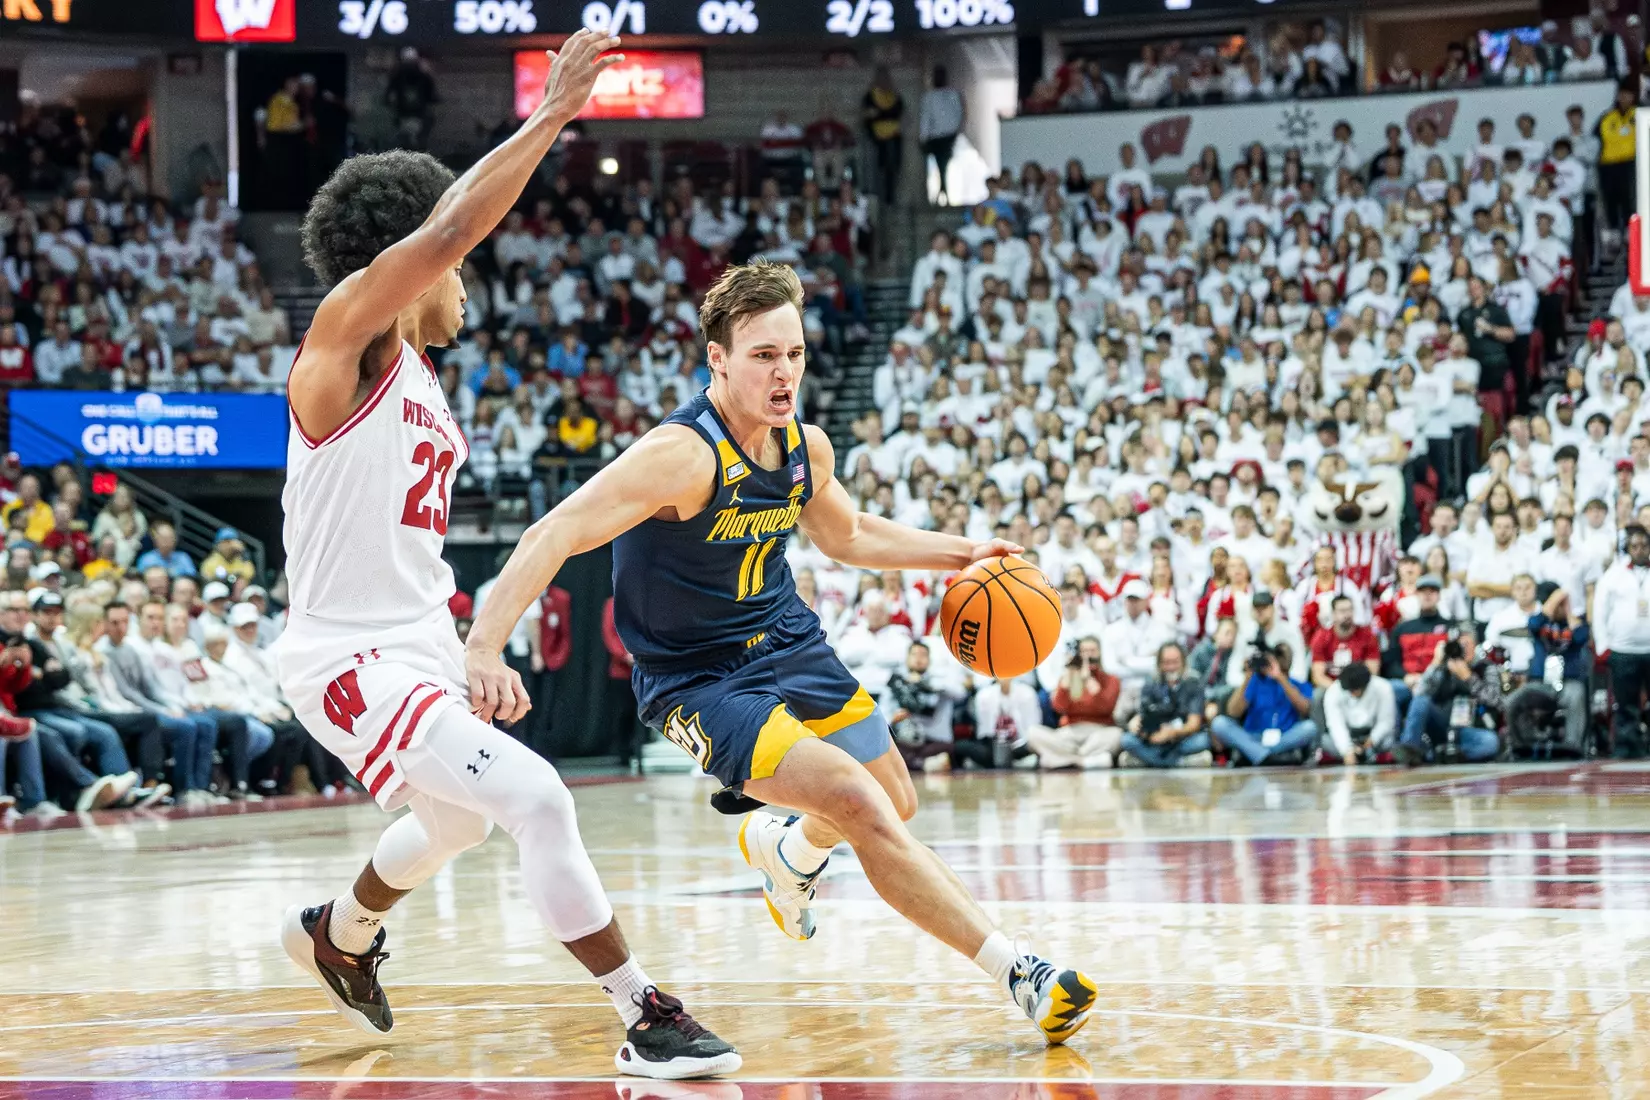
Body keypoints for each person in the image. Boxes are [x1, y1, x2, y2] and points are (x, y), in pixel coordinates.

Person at [464, 259, 1097, 1046]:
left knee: (894, 798)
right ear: (718, 360)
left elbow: (851, 535)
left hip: (788, 639)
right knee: (860, 804)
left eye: (794, 353)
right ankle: (1021, 973)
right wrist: (485, 643)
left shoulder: (805, 449)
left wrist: (964, 553)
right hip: (699, 679)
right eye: (764, 355)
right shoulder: (681, 457)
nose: (784, 371)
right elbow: (553, 532)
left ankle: (787, 852)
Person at [270, 33, 740, 1079]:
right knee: (536, 800)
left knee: (456, 825)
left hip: (410, 641)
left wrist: (471, 646)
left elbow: (404, 550)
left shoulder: (426, 383)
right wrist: (554, 113)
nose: (470, 276)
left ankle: (337, 932)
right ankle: (645, 1012)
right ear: (411, 256)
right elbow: (450, 227)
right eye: (457, 258)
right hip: (345, 655)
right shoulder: (345, 342)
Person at [1504, 582, 1590, 757]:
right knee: (1512, 701)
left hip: (1568, 682)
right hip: (1540, 683)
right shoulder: (1538, 621)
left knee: (1576, 696)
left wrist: (1567, 609)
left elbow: (1582, 636)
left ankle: (1572, 747)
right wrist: (1552, 602)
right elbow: (1534, 625)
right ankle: (1523, 745)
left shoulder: (1574, 622)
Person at [1397, 633, 1504, 765]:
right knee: (1421, 701)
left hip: (1470, 729)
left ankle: (1444, 753)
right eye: (1460, 645)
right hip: (1443, 725)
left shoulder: (1486, 667)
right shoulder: (1444, 667)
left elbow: (1496, 701)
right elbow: (1419, 693)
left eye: (1467, 645)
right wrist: (1435, 663)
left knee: (1491, 742)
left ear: (1475, 646)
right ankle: (1410, 748)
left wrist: (1469, 678)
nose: (1464, 650)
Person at [1593, 523, 1650, 759]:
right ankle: (1627, 749)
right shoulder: (1614, 574)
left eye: (1644, 545)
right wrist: (1602, 646)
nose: (1639, 550)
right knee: (1626, 705)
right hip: (1622, 650)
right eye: (1634, 546)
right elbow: (1599, 610)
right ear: (1627, 548)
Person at [1212, 640, 1316, 767]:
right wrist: (1248, 676)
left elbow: (1305, 709)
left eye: (1283, 654)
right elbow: (1233, 711)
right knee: (1219, 723)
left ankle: (1256, 754)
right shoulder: (1256, 681)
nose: (1281, 659)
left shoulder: (1298, 684)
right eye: (1277, 654)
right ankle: (1265, 756)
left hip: (1283, 737)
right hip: (1254, 735)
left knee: (1310, 727)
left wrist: (1280, 678)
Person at [1031, 635, 1126, 769]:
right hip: (1070, 732)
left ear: (1099, 653)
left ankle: (1063, 760)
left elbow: (1106, 707)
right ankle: (1087, 761)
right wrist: (1069, 674)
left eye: (1092, 651)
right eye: (1084, 651)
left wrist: (1088, 680)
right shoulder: (1069, 678)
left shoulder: (1111, 680)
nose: (1087, 656)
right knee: (1033, 733)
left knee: (1117, 735)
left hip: (1099, 732)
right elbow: (1058, 707)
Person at [1117, 643, 1209, 768]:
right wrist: (1146, 733)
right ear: (1159, 664)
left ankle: (1147, 761)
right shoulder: (1151, 681)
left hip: (1182, 737)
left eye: (1175, 662)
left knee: (1204, 740)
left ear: (1183, 662)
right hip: (1154, 737)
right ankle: (1180, 762)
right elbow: (1143, 716)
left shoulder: (1193, 681)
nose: (1171, 667)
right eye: (1166, 662)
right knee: (1126, 740)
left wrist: (1172, 733)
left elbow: (1194, 723)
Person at [1321, 662, 1397, 765]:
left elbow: (1386, 721)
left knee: (1388, 740)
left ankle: (1372, 755)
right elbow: (1336, 725)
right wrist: (1347, 751)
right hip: (1349, 734)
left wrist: (1372, 740)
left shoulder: (1383, 687)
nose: (1352, 693)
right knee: (1325, 740)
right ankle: (1361, 756)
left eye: (1355, 690)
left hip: (1372, 735)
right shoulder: (1333, 692)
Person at [919, 66, 964, 206]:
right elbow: (925, 118)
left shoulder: (952, 94)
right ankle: (942, 191)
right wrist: (923, 136)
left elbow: (959, 114)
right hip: (937, 137)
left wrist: (956, 131)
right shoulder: (930, 97)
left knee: (943, 165)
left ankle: (943, 192)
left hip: (947, 136)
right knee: (941, 165)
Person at [862, 67, 905, 208]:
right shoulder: (870, 96)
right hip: (877, 139)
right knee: (878, 169)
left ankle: (889, 198)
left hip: (893, 137)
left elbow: (899, 112)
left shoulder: (894, 96)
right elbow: (867, 116)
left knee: (891, 169)